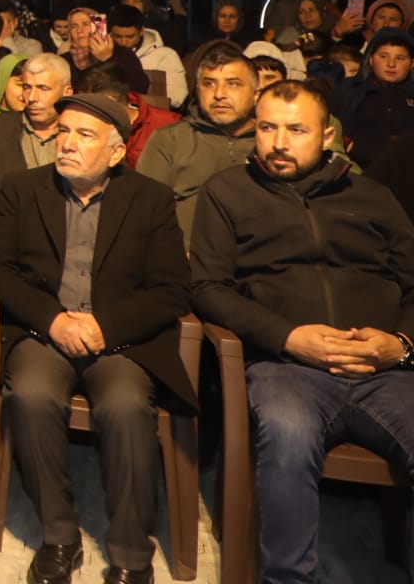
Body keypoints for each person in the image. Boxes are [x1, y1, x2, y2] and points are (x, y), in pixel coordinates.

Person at [189, 81, 414, 584]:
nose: (279, 142)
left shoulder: (373, 198)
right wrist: (288, 337)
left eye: (296, 130)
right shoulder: (228, 192)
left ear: (328, 136)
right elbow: (208, 287)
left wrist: (399, 344)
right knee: (288, 433)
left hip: (384, 371)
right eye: (267, 128)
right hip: (286, 368)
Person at [0, 94, 195, 584]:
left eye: (84, 135)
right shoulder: (23, 190)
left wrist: (105, 327)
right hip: (44, 331)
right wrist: (53, 320)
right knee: (30, 396)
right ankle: (59, 536)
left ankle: (130, 552)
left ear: (116, 152)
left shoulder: (150, 199)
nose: (67, 144)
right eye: (63, 132)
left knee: (125, 407)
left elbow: (173, 290)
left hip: (118, 340)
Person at [134, 43, 258, 244]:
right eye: (209, 84)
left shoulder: (271, 142)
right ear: (197, 89)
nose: (219, 94)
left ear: (256, 93)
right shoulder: (170, 140)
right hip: (185, 263)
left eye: (233, 84)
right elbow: (144, 214)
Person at [0, 53, 73, 233]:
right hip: (8, 242)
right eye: (27, 87)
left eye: (43, 88)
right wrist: (11, 220)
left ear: (67, 92)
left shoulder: (82, 133)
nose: (32, 97)